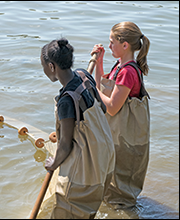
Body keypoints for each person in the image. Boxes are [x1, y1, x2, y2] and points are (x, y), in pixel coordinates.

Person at [41, 37, 115, 219]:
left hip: (86, 169)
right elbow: (103, 109)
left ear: (52, 67)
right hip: (105, 156)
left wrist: (53, 163)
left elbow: (65, 145)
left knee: (68, 210)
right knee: (86, 210)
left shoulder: (67, 100)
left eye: (43, 66)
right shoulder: (83, 75)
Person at [90, 21, 151, 209]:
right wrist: (99, 63)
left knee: (121, 190)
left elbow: (112, 107)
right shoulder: (120, 65)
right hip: (119, 134)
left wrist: (89, 87)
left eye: (111, 42)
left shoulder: (128, 72)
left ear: (125, 45)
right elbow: (105, 89)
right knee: (112, 181)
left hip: (126, 138)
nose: (108, 46)